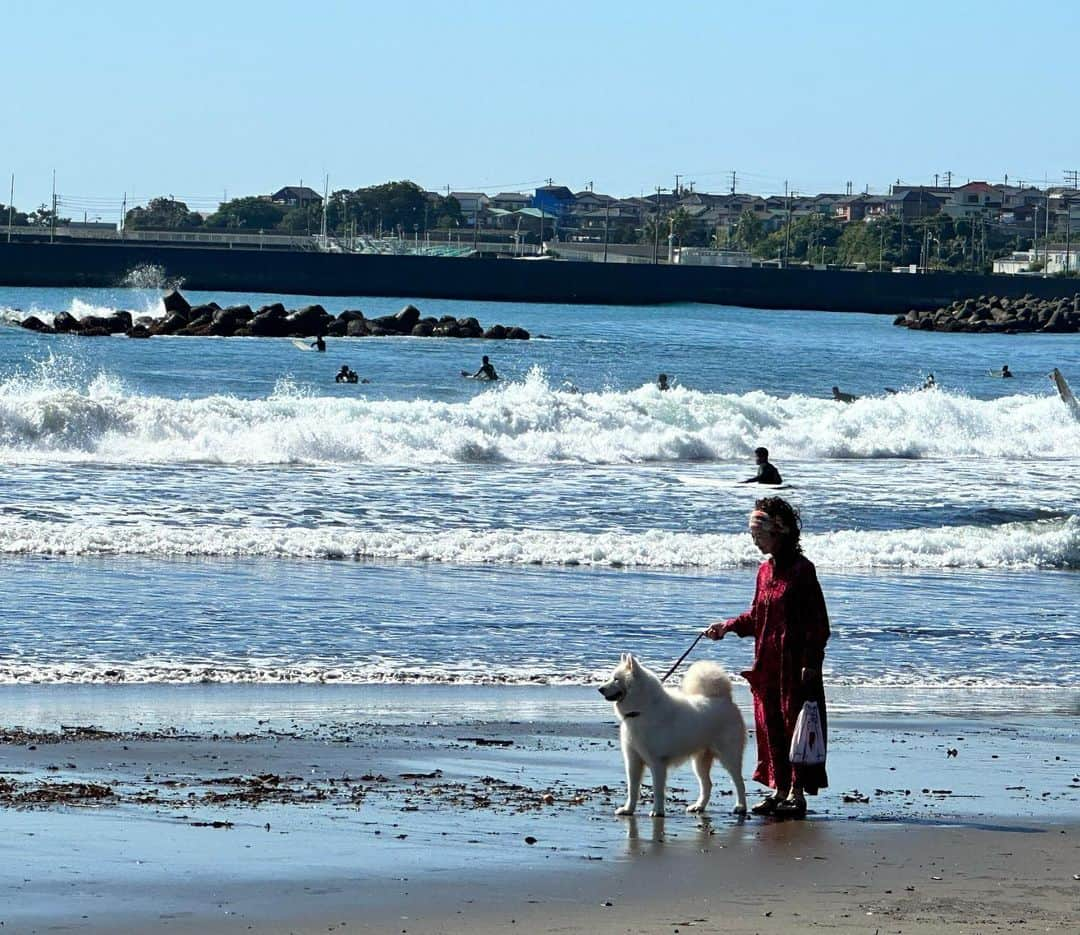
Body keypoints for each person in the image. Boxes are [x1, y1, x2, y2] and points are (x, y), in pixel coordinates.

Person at [704, 497, 830, 818]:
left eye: (758, 533)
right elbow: (757, 618)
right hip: (766, 664)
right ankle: (778, 790)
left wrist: (811, 664)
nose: (754, 539)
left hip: (796, 666)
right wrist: (727, 626)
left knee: (795, 726)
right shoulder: (763, 572)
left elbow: (819, 624)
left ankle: (797, 794)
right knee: (768, 725)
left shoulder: (803, 571)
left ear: (779, 532)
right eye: (752, 534)